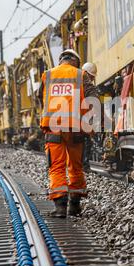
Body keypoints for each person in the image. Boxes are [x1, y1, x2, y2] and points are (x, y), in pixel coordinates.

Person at [38, 50, 99, 218]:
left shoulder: (47, 75)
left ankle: (60, 208)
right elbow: (93, 98)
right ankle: (74, 206)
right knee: (75, 167)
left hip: (54, 128)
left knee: (56, 167)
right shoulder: (81, 75)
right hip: (75, 128)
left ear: (61, 60)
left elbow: (39, 97)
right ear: (76, 62)